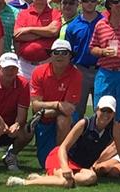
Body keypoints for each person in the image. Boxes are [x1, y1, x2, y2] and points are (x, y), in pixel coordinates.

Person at [21, 97, 120, 188]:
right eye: (103, 110)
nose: (106, 114)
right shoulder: (84, 124)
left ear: (114, 113)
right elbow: (62, 148)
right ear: (97, 109)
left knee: (91, 177)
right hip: (62, 158)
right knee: (66, 182)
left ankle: (45, 179)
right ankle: (24, 182)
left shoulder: (114, 128)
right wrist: (64, 167)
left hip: (81, 166)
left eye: (110, 111)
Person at [29, 38, 83, 168]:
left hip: (60, 116)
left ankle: (61, 158)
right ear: (50, 55)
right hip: (44, 118)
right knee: (43, 162)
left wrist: (44, 110)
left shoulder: (76, 74)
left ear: (70, 56)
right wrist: (58, 105)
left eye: (64, 53)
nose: (60, 55)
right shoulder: (39, 72)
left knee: (63, 119)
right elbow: (35, 105)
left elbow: (69, 109)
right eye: (56, 52)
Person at [0, 52, 33, 171]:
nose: (10, 71)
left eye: (13, 68)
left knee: (28, 131)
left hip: (10, 128)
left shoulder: (23, 84)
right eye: (7, 68)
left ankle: (11, 155)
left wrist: (17, 124)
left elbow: (22, 113)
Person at [12, 0, 60, 79]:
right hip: (24, 66)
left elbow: (53, 31)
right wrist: (45, 33)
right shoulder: (23, 14)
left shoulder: (55, 13)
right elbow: (18, 35)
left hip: (47, 63)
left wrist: (29, 29)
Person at [62, 0, 101, 100]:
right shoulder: (73, 26)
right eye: (86, 0)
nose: (89, 3)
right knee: (76, 109)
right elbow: (68, 52)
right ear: (80, 3)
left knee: (100, 109)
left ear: (97, 2)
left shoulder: (104, 22)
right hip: (79, 70)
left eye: (92, 0)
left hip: (100, 70)